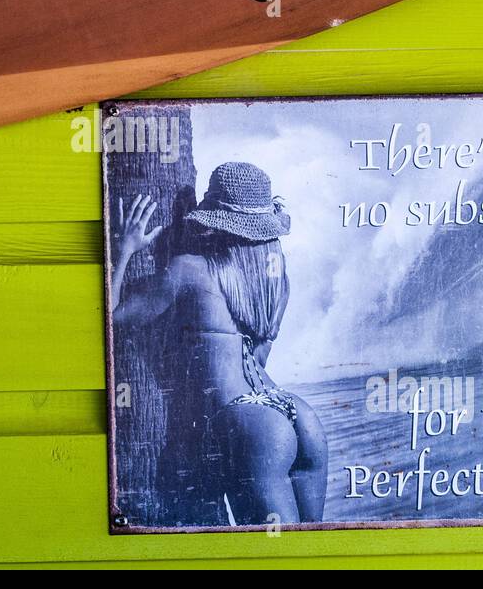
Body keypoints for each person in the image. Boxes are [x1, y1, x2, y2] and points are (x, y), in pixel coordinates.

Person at [110, 161, 328, 527]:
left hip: (250, 427)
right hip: (295, 414)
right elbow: (258, 358)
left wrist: (125, 248)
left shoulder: (188, 269)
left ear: (213, 220)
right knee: (309, 554)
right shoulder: (274, 282)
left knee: (269, 562)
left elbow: (112, 318)